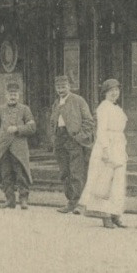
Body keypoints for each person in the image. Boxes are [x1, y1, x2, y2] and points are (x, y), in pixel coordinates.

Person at [81, 78, 129, 228]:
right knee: (104, 180)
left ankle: (115, 213)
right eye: (111, 91)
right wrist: (106, 150)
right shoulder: (103, 108)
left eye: (116, 90)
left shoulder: (117, 108)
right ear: (105, 93)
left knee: (118, 181)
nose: (114, 93)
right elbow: (101, 131)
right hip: (106, 146)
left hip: (118, 145)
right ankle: (104, 214)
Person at [49, 74, 94, 214]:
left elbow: (89, 121)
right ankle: (70, 200)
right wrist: (53, 138)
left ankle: (77, 202)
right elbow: (52, 122)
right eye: (58, 87)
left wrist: (79, 137)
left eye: (63, 86)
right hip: (60, 139)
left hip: (73, 139)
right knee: (64, 172)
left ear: (69, 86)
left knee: (76, 171)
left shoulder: (78, 100)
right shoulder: (56, 103)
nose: (61, 89)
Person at [0, 80, 36, 209]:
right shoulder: (0, 109)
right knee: (5, 174)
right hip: (4, 147)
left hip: (19, 147)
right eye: (10, 94)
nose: (13, 96)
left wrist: (18, 129)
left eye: (15, 94)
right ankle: (9, 200)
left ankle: (23, 200)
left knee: (21, 174)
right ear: (6, 95)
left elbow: (32, 127)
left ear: (19, 95)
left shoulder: (25, 109)